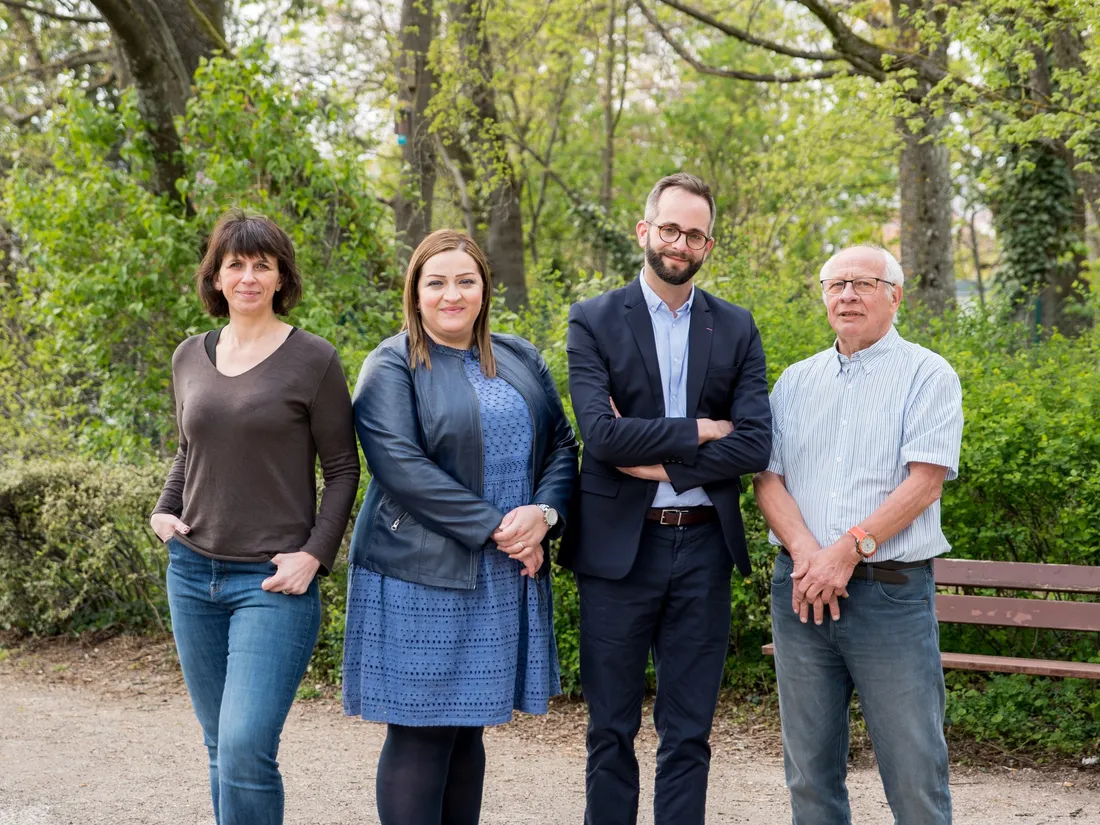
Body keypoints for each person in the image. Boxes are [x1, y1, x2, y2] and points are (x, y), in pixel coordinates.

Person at [342, 229, 578, 825]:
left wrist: (543, 516)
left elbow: (561, 447)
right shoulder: (390, 364)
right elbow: (400, 467)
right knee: (421, 732)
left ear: (484, 290)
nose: (453, 294)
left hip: (501, 572)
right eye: (437, 282)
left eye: (465, 281)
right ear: (415, 293)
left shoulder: (520, 356)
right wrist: (503, 529)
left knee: (469, 727)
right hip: (420, 574)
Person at [562, 172, 772, 825]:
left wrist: (652, 462)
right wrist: (700, 431)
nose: (680, 242)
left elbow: (756, 446)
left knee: (688, 732)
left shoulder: (735, 327)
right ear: (645, 230)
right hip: (617, 552)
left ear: (709, 244)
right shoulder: (593, 319)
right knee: (610, 729)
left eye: (695, 233)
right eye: (670, 228)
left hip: (704, 550)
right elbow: (599, 435)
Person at [149, 209, 360, 825]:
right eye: (235, 264)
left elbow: (343, 469)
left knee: (244, 747)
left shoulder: (313, 359)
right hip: (192, 575)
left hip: (271, 583)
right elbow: (191, 449)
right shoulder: (189, 355)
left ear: (279, 278)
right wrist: (164, 511)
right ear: (215, 278)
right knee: (220, 749)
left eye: (261, 265)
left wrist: (315, 554)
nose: (247, 276)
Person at [753, 245, 963, 825]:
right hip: (799, 591)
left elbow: (924, 483)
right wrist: (808, 556)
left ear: (895, 295)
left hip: (889, 595)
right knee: (810, 773)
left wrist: (845, 552)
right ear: (823, 296)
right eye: (835, 284)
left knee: (914, 771)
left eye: (864, 283)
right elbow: (767, 480)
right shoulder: (794, 382)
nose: (847, 294)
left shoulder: (927, 373)